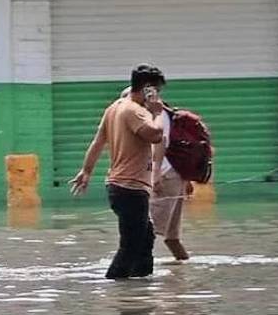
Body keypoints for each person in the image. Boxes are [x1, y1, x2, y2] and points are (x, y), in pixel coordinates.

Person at [70, 64, 166, 280]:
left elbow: (97, 142)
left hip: (120, 187)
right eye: (157, 91)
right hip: (130, 187)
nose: (158, 96)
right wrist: (157, 112)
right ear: (149, 89)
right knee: (131, 246)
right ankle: (117, 289)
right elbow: (155, 134)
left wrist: (86, 171)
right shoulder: (135, 111)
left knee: (146, 237)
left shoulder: (115, 107)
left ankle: (141, 284)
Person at [150, 104, 192, 262]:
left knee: (146, 230)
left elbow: (161, 141)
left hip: (164, 177)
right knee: (171, 238)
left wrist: (155, 176)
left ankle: (137, 268)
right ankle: (183, 268)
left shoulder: (157, 116)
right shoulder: (166, 114)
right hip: (175, 175)